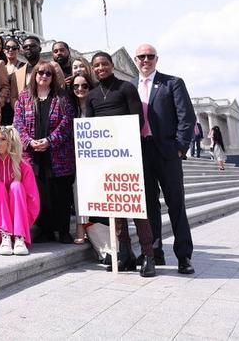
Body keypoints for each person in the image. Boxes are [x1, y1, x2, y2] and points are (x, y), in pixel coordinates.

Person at [87, 51, 155, 277]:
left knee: (136, 206)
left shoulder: (126, 88)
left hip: (127, 155)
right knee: (116, 206)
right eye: (96, 65)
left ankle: (148, 255)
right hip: (105, 158)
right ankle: (125, 253)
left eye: (104, 64)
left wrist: (118, 139)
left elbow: (139, 120)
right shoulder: (93, 95)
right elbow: (89, 124)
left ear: (112, 65)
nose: (100, 68)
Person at [134, 43, 197, 275]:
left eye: (150, 56)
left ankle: (184, 256)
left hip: (167, 151)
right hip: (142, 151)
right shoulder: (131, 86)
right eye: (141, 56)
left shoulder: (172, 83)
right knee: (149, 206)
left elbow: (186, 116)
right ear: (135, 60)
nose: (146, 60)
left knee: (176, 204)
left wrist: (180, 147)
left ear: (156, 59)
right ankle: (155, 252)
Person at [14, 59, 76, 245]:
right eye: (40, 72)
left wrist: (49, 141)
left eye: (48, 73)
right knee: (40, 193)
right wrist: (29, 141)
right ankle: (46, 230)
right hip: (33, 155)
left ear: (53, 77)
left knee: (61, 194)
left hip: (58, 154)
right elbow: (18, 122)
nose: (44, 76)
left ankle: (63, 231)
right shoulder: (25, 97)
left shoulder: (62, 98)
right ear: (34, 75)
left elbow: (67, 123)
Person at [0, 126, 40, 255]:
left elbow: (33, 198)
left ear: (9, 140)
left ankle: (19, 237)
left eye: (2, 139)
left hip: (20, 216)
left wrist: (27, 221)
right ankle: (5, 236)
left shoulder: (23, 165)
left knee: (16, 186)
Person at [70, 71, 95, 245]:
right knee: (78, 190)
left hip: (96, 157)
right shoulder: (71, 108)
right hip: (76, 156)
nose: (80, 89)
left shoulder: (97, 105)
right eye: (76, 86)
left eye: (84, 85)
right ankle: (80, 226)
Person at [10, 35, 41, 101]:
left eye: (32, 46)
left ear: (40, 49)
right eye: (25, 47)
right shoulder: (17, 74)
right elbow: (14, 97)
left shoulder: (51, 67)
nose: (28, 48)